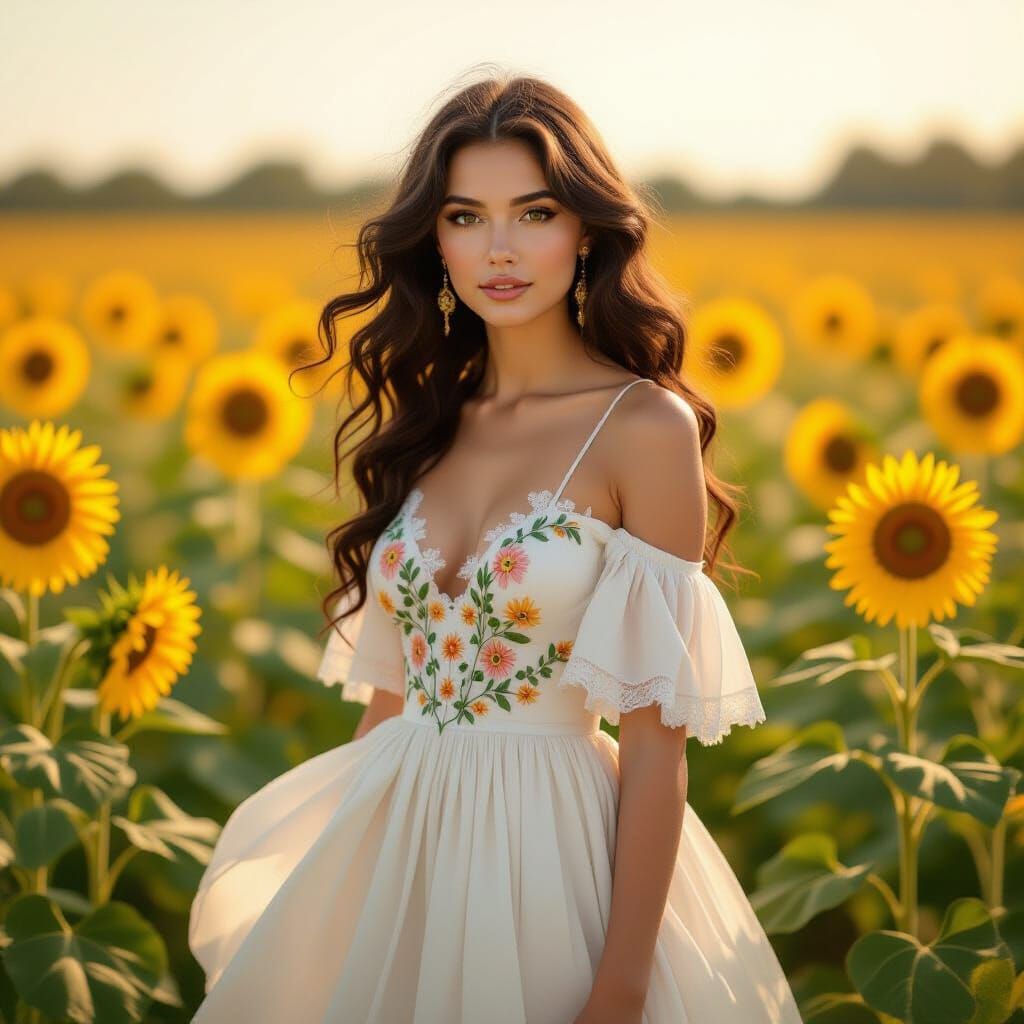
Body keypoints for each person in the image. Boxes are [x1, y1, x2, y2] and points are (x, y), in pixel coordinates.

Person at [188, 70, 803, 1023]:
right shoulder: (430, 420)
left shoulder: (642, 427)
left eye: (535, 212)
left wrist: (622, 988)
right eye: (466, 218)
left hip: (551, 861)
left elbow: (654, 750)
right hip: (401, 844)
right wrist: (324, 897)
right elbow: (393, 703)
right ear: (434, 240)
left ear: (587, 229)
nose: (500, 249)